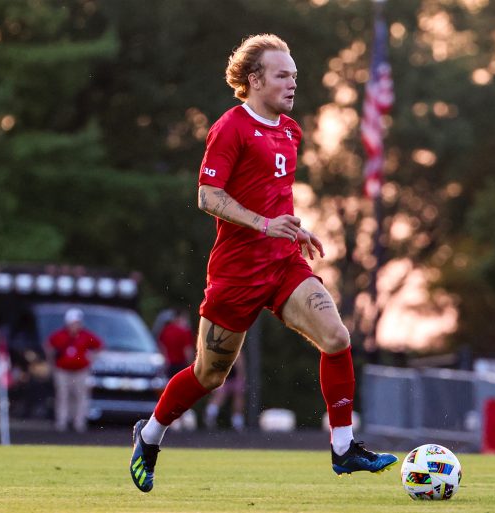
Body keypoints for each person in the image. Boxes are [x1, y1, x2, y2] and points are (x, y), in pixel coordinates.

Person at [129, 33, 397, 493]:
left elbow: (275, 197)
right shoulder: (230, 127)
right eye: (283, 75)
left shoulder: (291, 131)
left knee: (337, 337)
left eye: (294, 75)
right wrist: (262, 223)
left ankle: (343, 447)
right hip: (236, 272)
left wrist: (296, 228)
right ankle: (150, 435)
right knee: (209, 375)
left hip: (284, 264)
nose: (293, 83)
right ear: (254, 80)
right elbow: (207, 196)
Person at [47, 308, 103, 432]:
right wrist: (52, 364)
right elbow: (49, 346)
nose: (75, 325)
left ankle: (79, 423)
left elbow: (99, 346)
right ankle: (62, 422)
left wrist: (91, 359)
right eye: (73, 323)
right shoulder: (60, 335)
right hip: (63, 370)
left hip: (80, 371)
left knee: (81, 396)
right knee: (63, 396)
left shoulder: (86, 335)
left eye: (77, 323)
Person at [204, 352, 246, 431]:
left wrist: (240, 378)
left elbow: (240, 363)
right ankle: (210, 415)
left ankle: (237, 421)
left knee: (238, 395)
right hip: (222, 376)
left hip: (232, 376)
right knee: (220, 395)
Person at [157, 309, 196, 378]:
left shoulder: (165, 330)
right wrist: (191, 365)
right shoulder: (184, 332)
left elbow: (161, 347)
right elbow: (187, 351)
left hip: (169, 366)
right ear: (180, 318)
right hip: (181, 365)